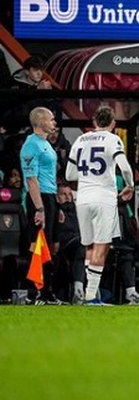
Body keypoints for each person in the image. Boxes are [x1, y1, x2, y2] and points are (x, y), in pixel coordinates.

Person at [65, 106, 135, 305]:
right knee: (101, 246)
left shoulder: (80, 140)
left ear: (95, 122)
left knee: (89, 245)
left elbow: (69, 174)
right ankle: (91, 296)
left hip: (83, 198)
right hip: (103, 197)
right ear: (113, 123)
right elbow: (125, 168)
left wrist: (87, 175)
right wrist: (130, 185)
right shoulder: (113, 140)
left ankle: (90, 293)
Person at [20, 107, 62, 304]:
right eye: (51, 119)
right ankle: (33, 292)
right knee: (36, 243)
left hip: (50, 197)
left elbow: (49, 176)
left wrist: (56, 205)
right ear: (40, 121)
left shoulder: (46, 144)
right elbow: (31, 180)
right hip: (39, 198)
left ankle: (47, 291)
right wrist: (39, 208)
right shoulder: (31, 145)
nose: (54, 122)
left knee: (51, 245)